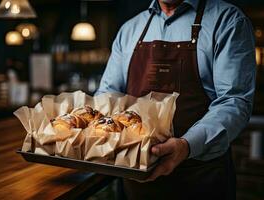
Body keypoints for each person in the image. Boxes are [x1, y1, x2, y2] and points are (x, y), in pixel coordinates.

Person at [96, 0, 256, 199]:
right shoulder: (130, 29)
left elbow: (234, 102)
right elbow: (107, 95)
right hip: (135, 182)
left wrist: (186, 145)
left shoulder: (227, 21)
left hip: (200, 179)